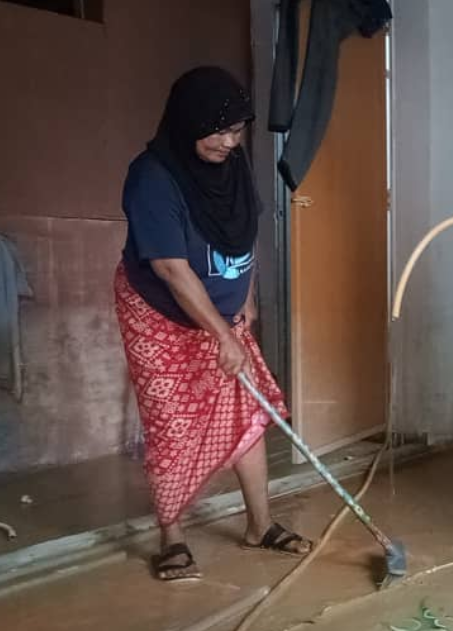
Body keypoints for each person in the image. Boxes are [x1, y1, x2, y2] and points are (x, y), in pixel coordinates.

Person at [114, 67, 313, 582]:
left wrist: (243, 298)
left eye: (237, 130)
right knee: (173, 422)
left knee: (246, 412)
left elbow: (242, 233)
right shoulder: (152, 177)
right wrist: (222, 334)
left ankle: (261, 526)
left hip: (222, 311)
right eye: (218, 130)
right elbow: (169, 267)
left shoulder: (233, 164)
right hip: (160, 315)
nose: (229, 141)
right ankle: (172, 536)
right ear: (187, 123)